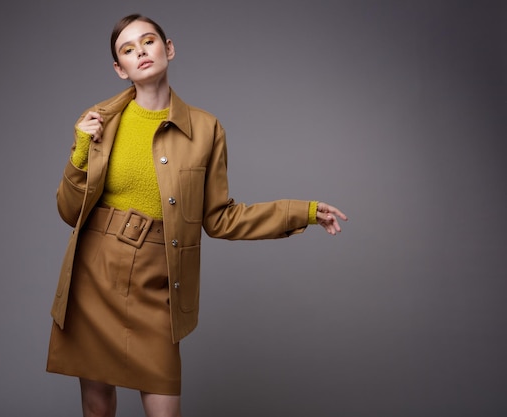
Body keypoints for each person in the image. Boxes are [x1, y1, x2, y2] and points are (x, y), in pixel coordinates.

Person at [46, 13, 348, 417]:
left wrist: (303, 212)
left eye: (148, 41)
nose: (141, 52)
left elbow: (221, 218)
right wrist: (80, 150)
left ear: (168, 48)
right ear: (120, 69)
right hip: (95, 273)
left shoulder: (206, 129)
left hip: (158, 278)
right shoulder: (100, 120)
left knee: (164, 406)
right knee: (97, 404)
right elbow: (69, 211)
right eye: (128, 49)